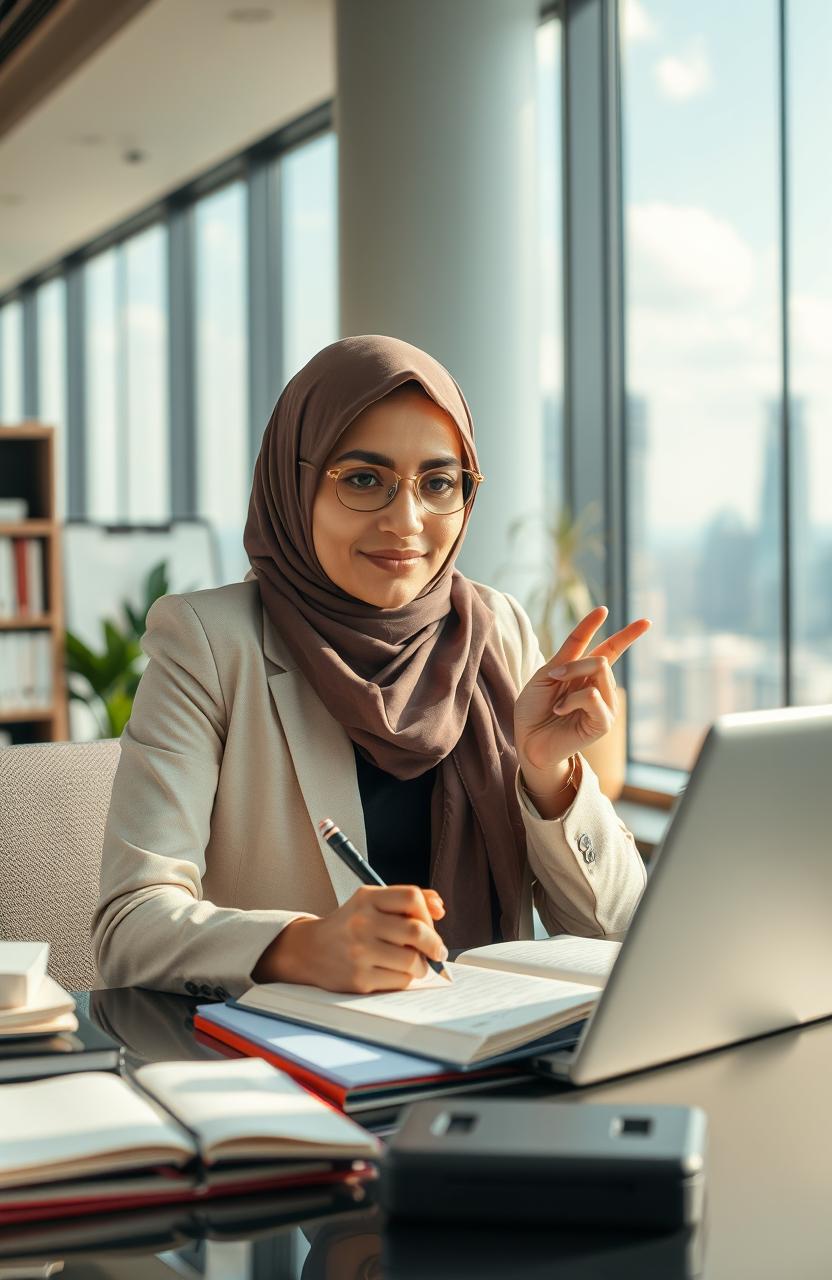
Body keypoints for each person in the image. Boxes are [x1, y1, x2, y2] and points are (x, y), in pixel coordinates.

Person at [92, 335, 649, 999]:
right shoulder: (209, 643)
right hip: (289, 1068)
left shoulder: (496, 631)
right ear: (294, 483)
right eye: (363, 479)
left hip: (487, 1047)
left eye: (438, 483)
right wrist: (300, 947)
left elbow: (616, 932)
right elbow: (128, 926)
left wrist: (547, 773)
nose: (406, 520)